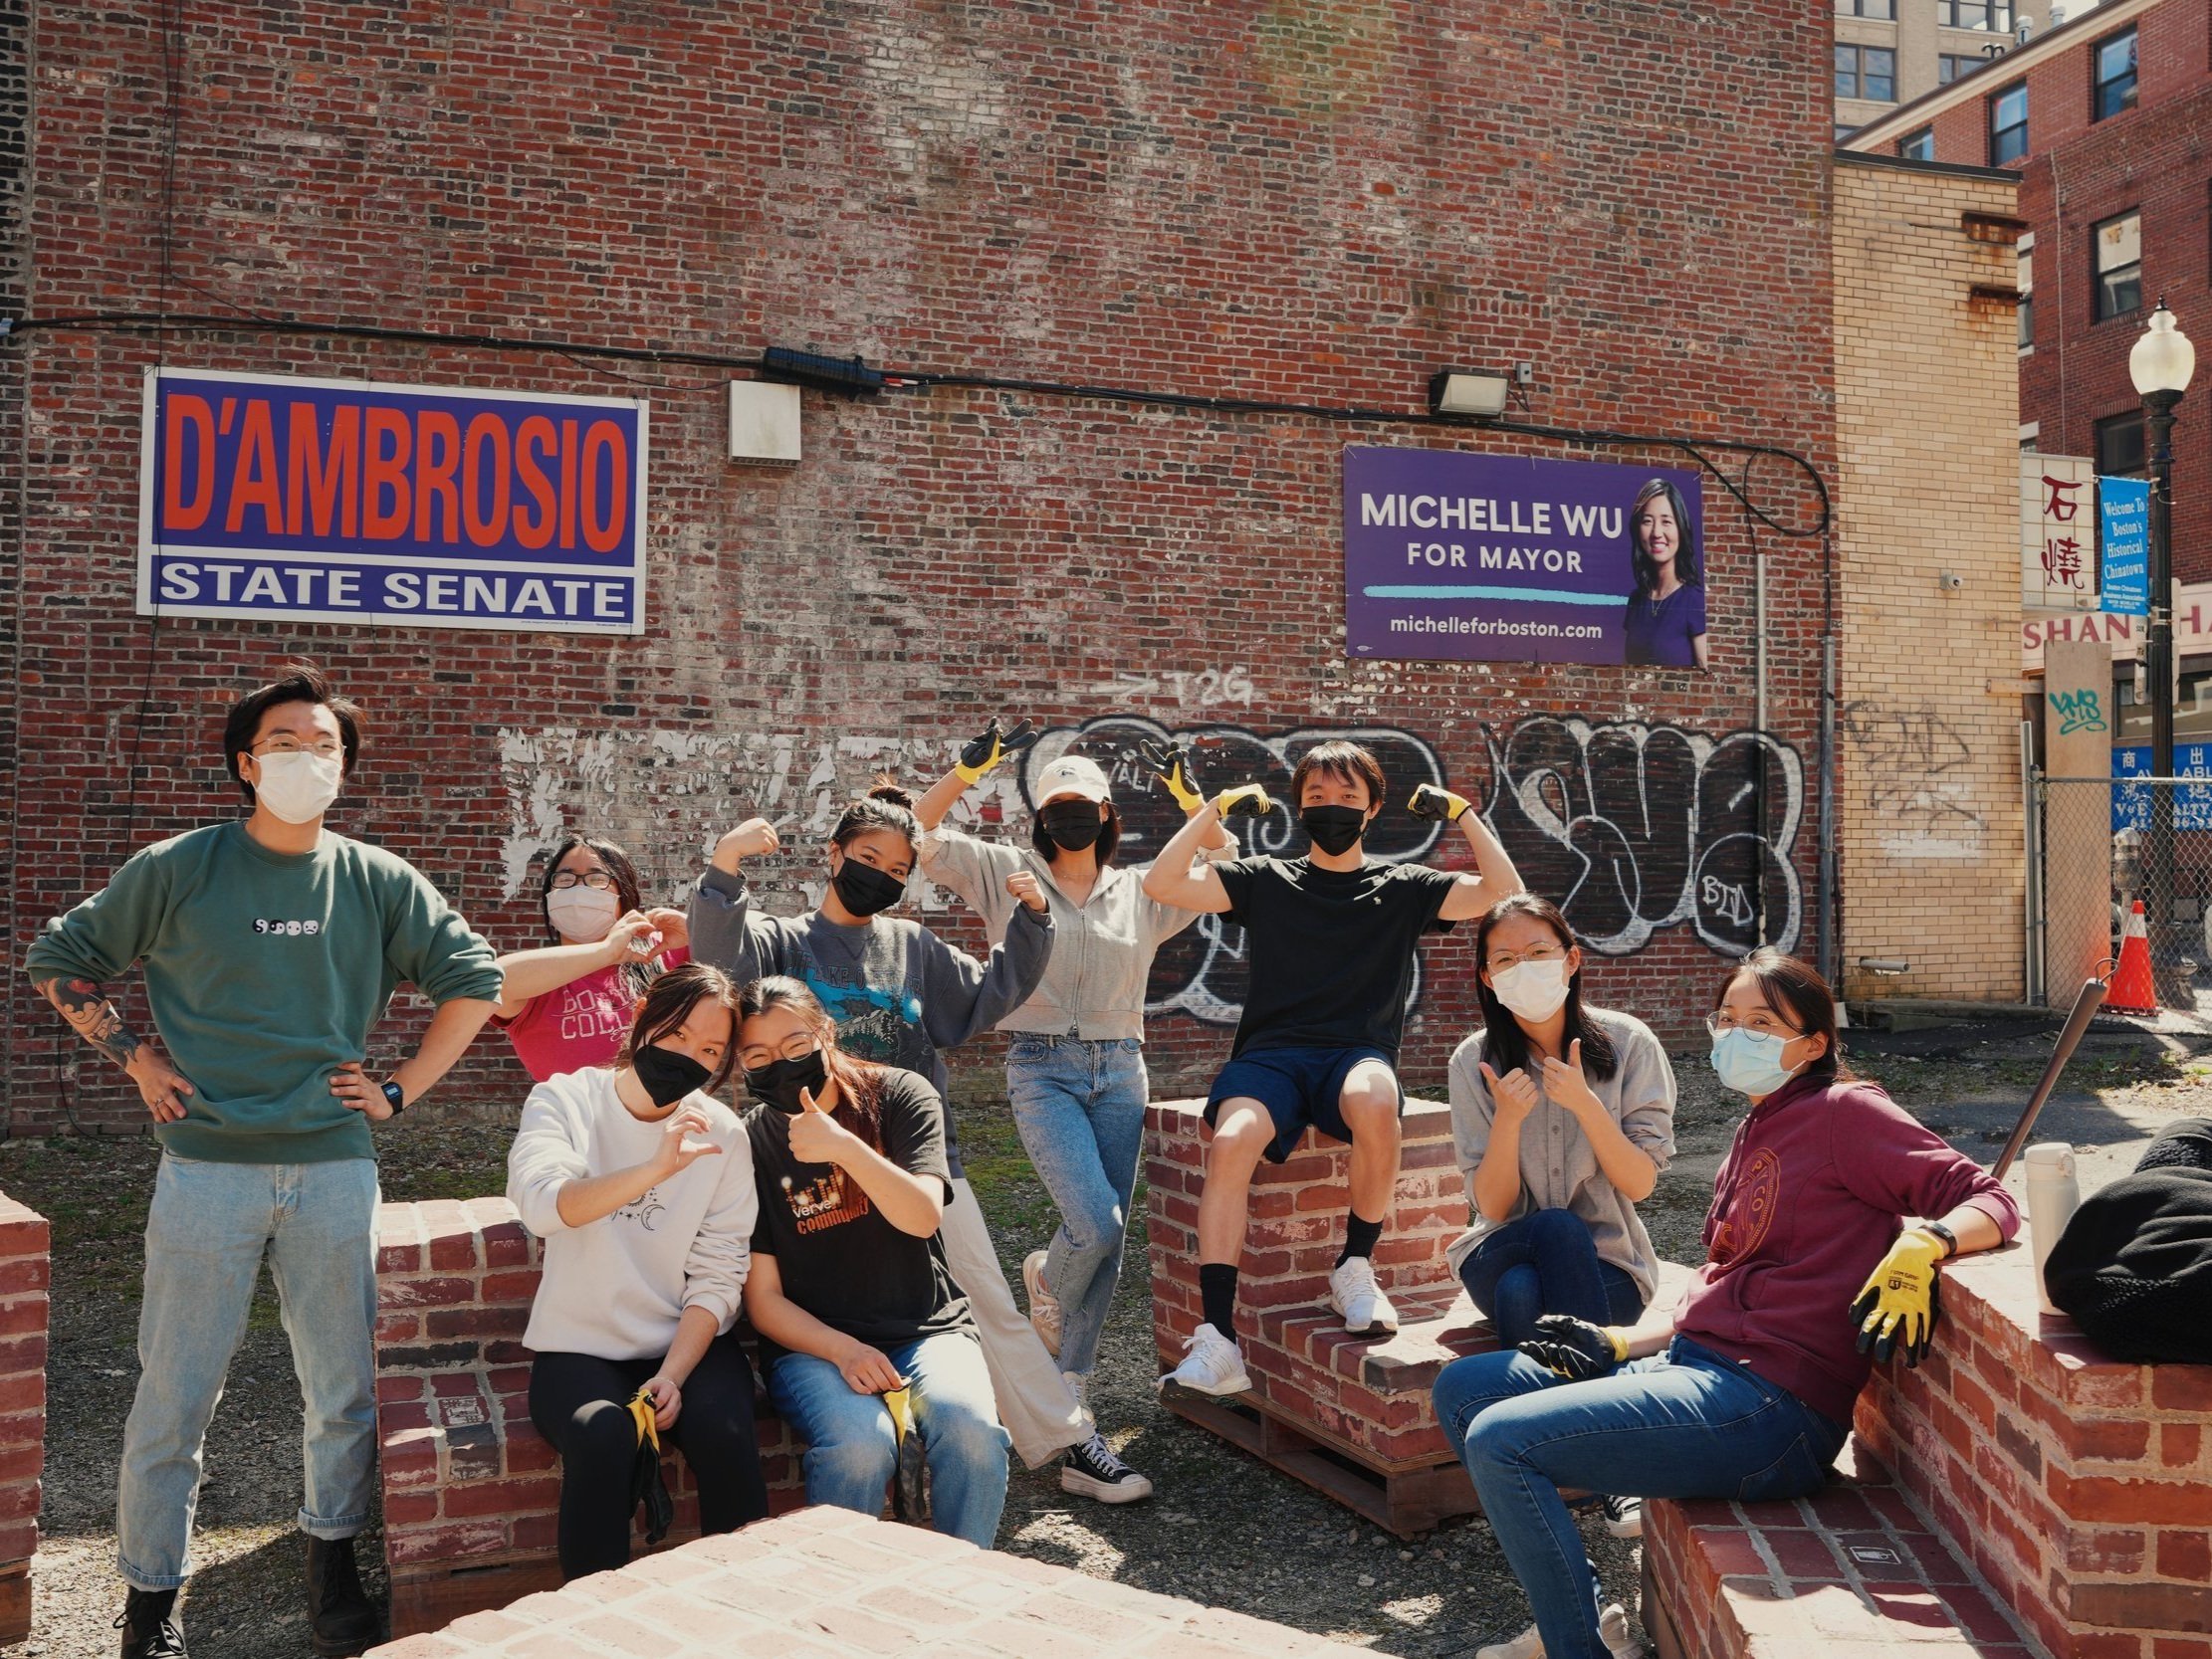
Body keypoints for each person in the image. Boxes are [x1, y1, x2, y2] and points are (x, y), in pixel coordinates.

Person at [23, 664, 503, 1659]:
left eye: (323, 744)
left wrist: (402, 1087)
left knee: (342, 1388)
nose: (305, 758)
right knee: (174, 1391)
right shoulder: (180, 866)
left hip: (334, 1166)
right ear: (247, 762)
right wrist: (136, 1054)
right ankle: (151, 1602)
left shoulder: (373, 877)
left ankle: (333, 1569)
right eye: (285, 741)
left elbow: (474, 977)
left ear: (344, 766)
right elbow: (60, 957)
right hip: (207, 1167)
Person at [1432, 950, 2021, 1659]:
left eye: (1763, 1022)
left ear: (1814, 1044)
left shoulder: (1847, 1110)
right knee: (1465, 1388)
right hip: (1696, 1368)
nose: (1737, 1035)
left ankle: (1574, 1649)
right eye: (1729, 1019)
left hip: (1772, 1411)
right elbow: (1716, 1279)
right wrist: (1620, 1341)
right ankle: (1589, 1619)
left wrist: (1927, 1242)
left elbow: (1990, 1196)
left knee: (1502, 1441)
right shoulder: (1757, 1123)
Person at [686, 779, 1096, 1484]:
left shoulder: (914, 946)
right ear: (834, 853)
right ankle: (903, 1434)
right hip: (807, 1166)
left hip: (916, 1160)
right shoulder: (782, 942)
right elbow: (721, 957)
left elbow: (979, 1002)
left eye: (899, 869)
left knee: (983, 1302)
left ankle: (1066, 1442)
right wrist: (725, 865)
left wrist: (1033, 921)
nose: (882, 873)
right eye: (869, 855)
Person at [1143, 739, 1523, 1398]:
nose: (1330, 807)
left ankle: (1354, 1264)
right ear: (1298, 806)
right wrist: (1212, 812)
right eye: (1316, 796)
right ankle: (1218, 1337)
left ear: (1372, 808)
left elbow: (1504, 892)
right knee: (1232, 1140)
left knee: (1377, 1099)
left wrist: (1462, 811)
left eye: (1347, 796)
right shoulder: (1265, 878)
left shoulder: (1404, 887)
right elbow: (1162, 882)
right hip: (1270, 1057)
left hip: (1354, 1053)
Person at [916, 724, 1235, 1503]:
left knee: (1113, 1238)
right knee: (1095, 1221)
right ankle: (1047, 1288)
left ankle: (1070, 1410)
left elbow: (1229, 868)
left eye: (1082, 805)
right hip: (1039, 1066)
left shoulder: (1144, 890)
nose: (1070, 817)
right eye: (1057, 806)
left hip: (1122, 1067)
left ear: (1105, 813)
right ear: (1041, 816)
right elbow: (918, 835)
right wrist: (963, 772)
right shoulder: (1005, 873)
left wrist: (1194, 802)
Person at [506, 962, 767, 1580]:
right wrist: (655, 1168)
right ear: (646, 1019)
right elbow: (545, 1205)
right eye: (678, 1036)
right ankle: (591, 1622)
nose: (689, 1057)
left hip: (685, 1345)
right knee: (604, 1436)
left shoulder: (724, 1134)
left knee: (728, 1434)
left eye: (710, 1049)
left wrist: (674, 1374)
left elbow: (720, 1267)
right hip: (580, 1346)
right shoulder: (566, 1099)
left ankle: (747, 1609)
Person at [738, 976, 1010, 1548]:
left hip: (925, 1325)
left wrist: (842, 1146)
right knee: (861, 1448)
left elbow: (922, 1217)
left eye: (795, 1046)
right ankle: (841, 1590)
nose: (781, 1066)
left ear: (826, 1033)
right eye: (758, 1056)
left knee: (974, 1434)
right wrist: (844, 1349)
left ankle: (967, 1577)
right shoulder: (752, 1144)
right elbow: (763, 1300)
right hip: (814, 1345)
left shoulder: (900, 1096)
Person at [1443, 894, 1675, 1541]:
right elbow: (1490, 1207)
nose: (1526, 967)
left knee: (1531, 1287)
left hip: (1608, 1271)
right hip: (1500, 1248)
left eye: (1540, 952)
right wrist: (1510, 1121)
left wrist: (1586, 1105)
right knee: (1549, 1230)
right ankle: (1615, 1470)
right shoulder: (1474, 1061)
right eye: (1506, 959)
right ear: (1488, 977)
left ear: (1571, 959)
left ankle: (1535, 1467)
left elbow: (1640, 1181)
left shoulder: (1630, 1044)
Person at [491, 834, 691, 1081]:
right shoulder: (539, 976)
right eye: (565, 879)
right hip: (573, 1117)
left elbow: (738, 978)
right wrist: (605, 952)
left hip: (667, 1116)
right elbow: (495, 980)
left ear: (624, 893)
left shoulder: (661, 952)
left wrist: (696, 934)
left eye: (597, 879)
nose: (578, 889)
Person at [1621, 479, 1708, 671]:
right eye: (1647, 521)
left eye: (1666, 521)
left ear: (1681, 528)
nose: (1656, 532)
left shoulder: (1694, 599)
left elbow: (1707, 675)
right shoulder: (1636, 600)